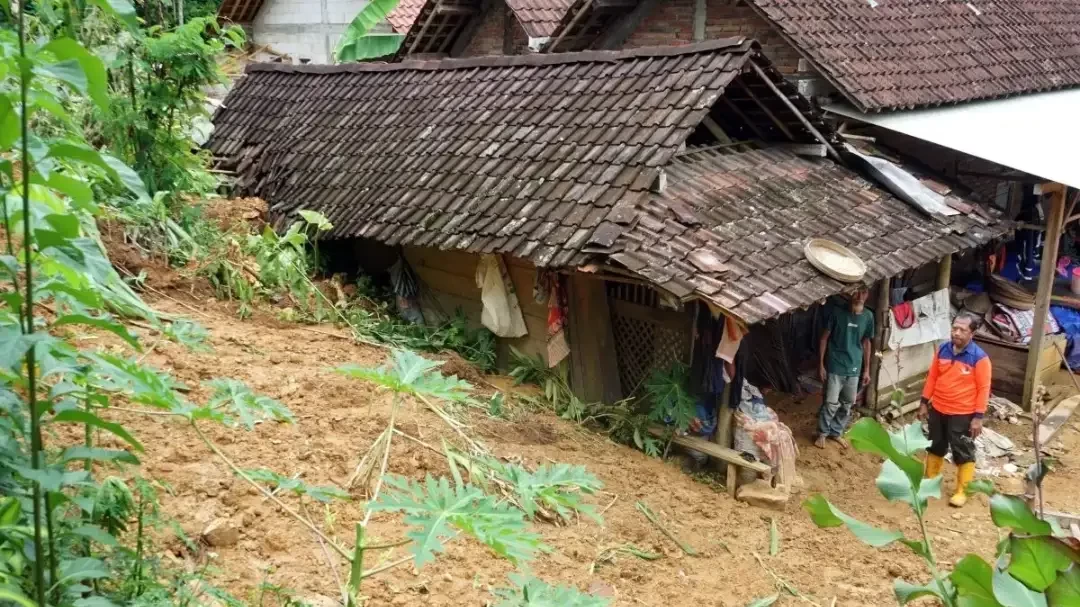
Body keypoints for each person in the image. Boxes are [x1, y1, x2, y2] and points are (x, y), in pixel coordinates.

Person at [919, 311, 991, 507]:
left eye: (962, 330)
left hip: (963, 413)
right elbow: (932, 377)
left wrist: (978, 417)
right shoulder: (942, 350)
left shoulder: (980, 358)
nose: (956, 333)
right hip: (938, 408)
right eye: (954, 328)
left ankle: (962, 490)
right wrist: (924, 402)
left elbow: (984, 389)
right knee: (935, 445)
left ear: (972, 334)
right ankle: (930, 481)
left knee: (963, 450)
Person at [816, 288, 874, 449]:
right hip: (835, 365)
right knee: (830, 402)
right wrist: (821, 364)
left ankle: (836, 432)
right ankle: (822, 433)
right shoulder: (836, 313)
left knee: (847, 403)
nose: (859, 296)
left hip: (854, 367)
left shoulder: (868, 316)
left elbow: (866, 342)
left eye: (863, 293)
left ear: (867, 295)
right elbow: (824, 338)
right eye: (856, 293)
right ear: (849, 294)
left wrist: (867, 369)